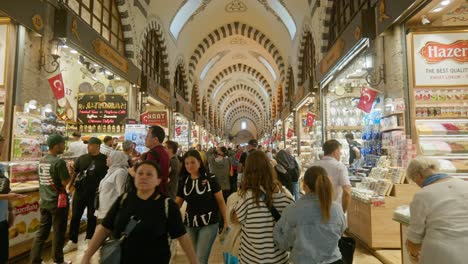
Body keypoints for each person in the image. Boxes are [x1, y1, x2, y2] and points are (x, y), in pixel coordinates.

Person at [81, 160, 198, 264]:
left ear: (158, 180)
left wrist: (193, 261)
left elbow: (182, 236)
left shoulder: (167, 205)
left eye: (149, 174)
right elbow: (105, 229)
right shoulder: (124, 200)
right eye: (140, 173)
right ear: (134, 176)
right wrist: (87, 256)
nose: (143, 177)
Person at [274, 166, 346, 264]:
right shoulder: (337, 208)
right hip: (334, 260)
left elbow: (281, 239)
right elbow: (341, 231)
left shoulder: (293, 209)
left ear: (305, 185)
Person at [234, 151, 294, 264]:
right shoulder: (284, 195)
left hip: (251, 258)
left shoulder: (247, 197)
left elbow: (236, 219)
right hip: (279, 259)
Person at [405, 157, 468, 264]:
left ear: (418, 175)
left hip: (439, 250)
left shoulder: (423, 195)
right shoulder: (465, 185)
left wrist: (413, 255)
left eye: (416, 181)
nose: (418, 185)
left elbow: (415, 234)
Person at [175, 150, 228, 264]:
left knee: (200, 258)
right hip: (190, 223)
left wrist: (226, 220)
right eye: (187, 163)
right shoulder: (184, 181)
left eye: (193, 162)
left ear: (199, 162)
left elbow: (220, 201)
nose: (189, 166)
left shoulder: (210, 178)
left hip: (209, 223)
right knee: (194, 259)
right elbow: (178, 202)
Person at [30, 135, 72, 264]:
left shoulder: (42, 160)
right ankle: (58, 261)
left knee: (42, 232)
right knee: (58, 233)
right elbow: (66, 182)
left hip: (44, 201)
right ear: (56, 145)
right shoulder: (58, 162)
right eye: (62, 144)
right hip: (58, 203)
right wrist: (71, 172)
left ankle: (35, 260)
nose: (64, 146)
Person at [64, 137, 108, 253]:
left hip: (95, 193)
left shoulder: (105, 160)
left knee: (92, 217)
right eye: (88, 145)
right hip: (79, 192)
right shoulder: (81, 158)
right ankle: (72, 241)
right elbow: (75, 173)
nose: (88, 147)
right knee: (75, 216)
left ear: (97, 146)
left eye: (90, 145)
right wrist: (70, 184)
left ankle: (90, 239)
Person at [0, 135, 26, 264]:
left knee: (3, 256)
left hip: (2, 219)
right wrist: (7, 197)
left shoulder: (1, 167)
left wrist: (11, 210)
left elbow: (4, 190)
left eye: (2, 146)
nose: (1, 150)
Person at [312, 140, 351, 213]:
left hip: (314, 210)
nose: (341, 153)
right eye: (340, 151)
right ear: (335, 151)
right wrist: (343, 211)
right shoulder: (340, 167)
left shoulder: (313, 166)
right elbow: (347, 192)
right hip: (334, 210)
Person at [95, 151, 129, 220]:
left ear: (116, 158)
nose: (106, 159)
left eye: (109, 157)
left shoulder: (120, 172)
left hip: (110, 213)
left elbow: (121, 193)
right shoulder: (110, 172)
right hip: (102, 210)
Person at [140, 125, 170, 194]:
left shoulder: (152, 154)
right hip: (162, 191)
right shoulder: (164, 152)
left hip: (152, 192)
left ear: (155, 139)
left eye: (147, 136)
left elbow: (147, 175)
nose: (145, 139)